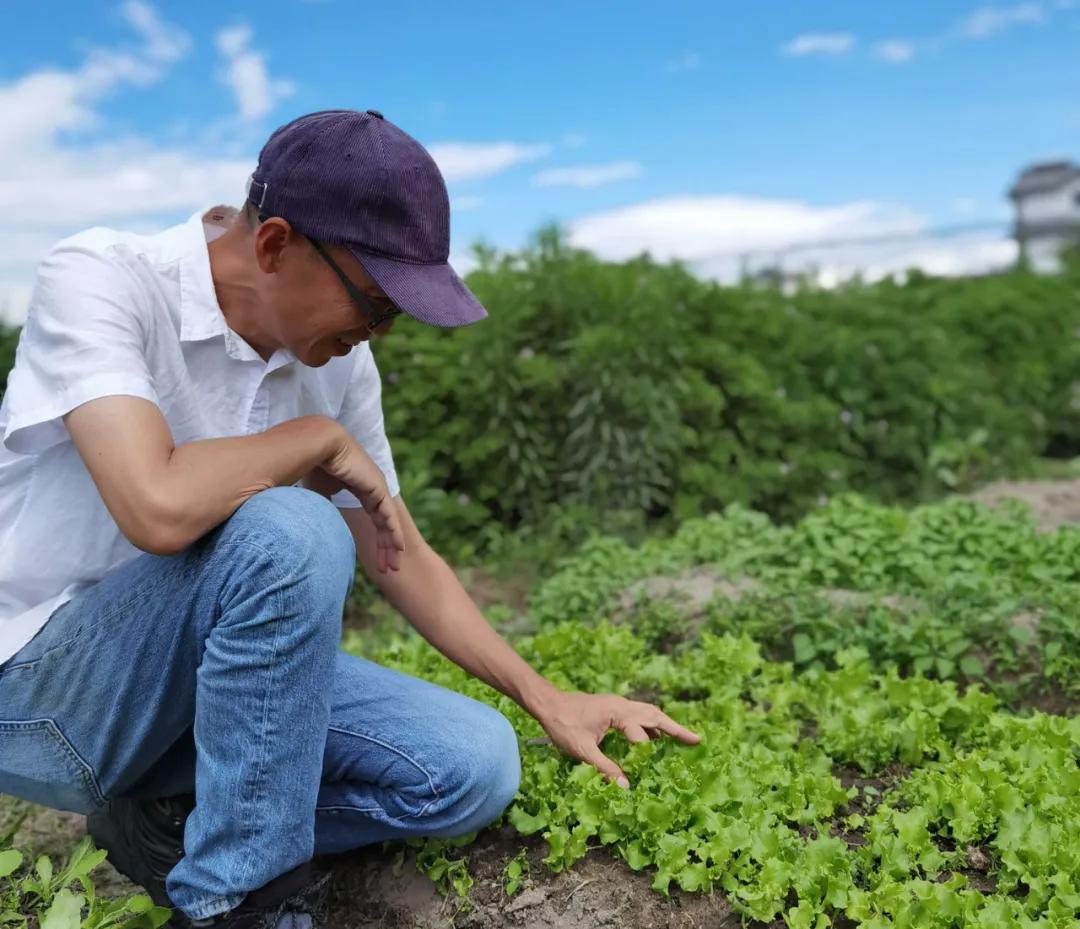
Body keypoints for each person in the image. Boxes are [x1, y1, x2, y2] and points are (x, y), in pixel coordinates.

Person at [0, 109, 699, 929]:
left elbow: (395, 547)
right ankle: (241, 906)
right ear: (274, 246)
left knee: (472, 766)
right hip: (44, 691)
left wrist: (546, 697)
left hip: (188, 698)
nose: (379, 333)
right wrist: (312, 440)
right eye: (374, 303)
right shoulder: (101, 278)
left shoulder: (337, 361)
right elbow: (155, 506)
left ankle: (163, 827)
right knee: (291, 529)